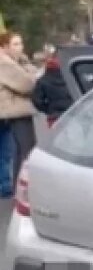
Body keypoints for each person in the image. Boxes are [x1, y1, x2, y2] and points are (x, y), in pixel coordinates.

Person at [0, 32, 38, 187]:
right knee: (25, 152)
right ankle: (20, 187)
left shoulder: (17, 62)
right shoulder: (4, 63)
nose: (20, 47)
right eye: (15, 44)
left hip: (12, 111)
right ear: (5, 47)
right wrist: (29, 72)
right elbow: (27, 85)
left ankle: (14, 186)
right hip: (14, 112)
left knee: (13, 152)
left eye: (21, 43)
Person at [32, 53, 72, 126]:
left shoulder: (42, 80)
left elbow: (37, 101)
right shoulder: (70, 77)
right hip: (74, 112)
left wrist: (48, 109)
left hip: (54, 116)